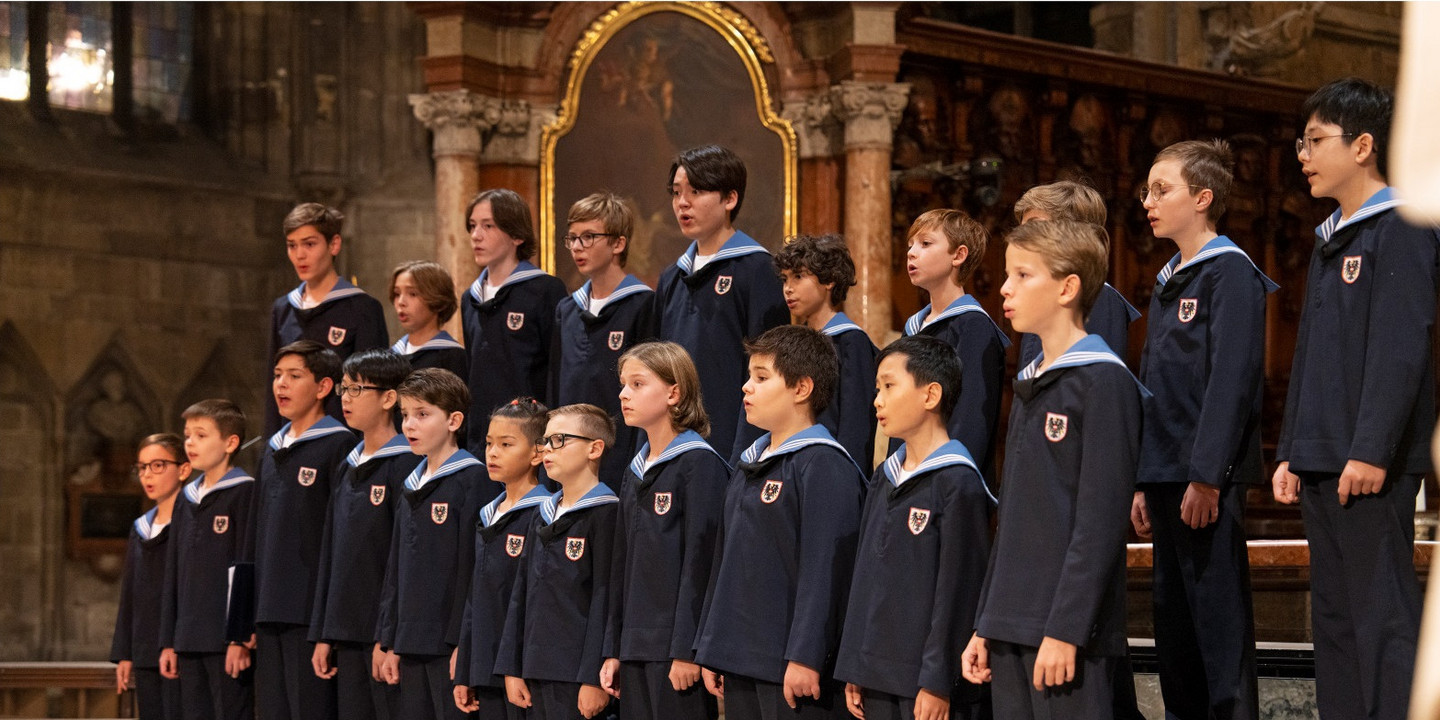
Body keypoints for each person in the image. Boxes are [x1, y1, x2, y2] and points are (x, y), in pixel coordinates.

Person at [1271, 77, 1438, 720]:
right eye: (1301, 142)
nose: (1303, 156)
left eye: (1315, 141)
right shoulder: (1329, 236)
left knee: (1382, 621)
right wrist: (1291, 450)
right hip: (1320, 455)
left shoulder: (1401, 225)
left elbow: (1400, 348)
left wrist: (1370, 448)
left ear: (1362, 144)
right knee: (1335, 623)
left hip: (1368, 462)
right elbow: (1309, 353)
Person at [961, 220, 1146, 719]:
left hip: (1066, 632)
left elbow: (1099, 525)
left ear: (1067, 288)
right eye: (1007, 274)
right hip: (1011, 622)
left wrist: (1067, 629)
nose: (1004, 288)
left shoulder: (1103, 382)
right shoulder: (1031, 382)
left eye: (1023, 275)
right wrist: (986, 621)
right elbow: (1015, 517)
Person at [1130, 139, 1276, 720]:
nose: (1148, 201)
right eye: (1147, 189)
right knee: (1174, 627)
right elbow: (1154, 388)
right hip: (1164, 475)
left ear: (1203, 197)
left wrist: (1208, 475)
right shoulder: (1170, 278)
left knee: (1217, 627)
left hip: (1202, 480)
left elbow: (1232, 379)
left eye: (1161, 189)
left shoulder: (1231, 272)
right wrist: (1143, 478)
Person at [692, 325, 865, 720]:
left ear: (801, 389)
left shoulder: (823, 463)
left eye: (761, 377)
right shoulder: (749, 462)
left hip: (791, 665)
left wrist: (805, 655)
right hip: (740, 655)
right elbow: (725, 560)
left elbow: (824, 570)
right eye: (749, 376)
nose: (745, 388)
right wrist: (710, 645)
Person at [835, 335, 993, 720]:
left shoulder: (958, 481)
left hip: (926, 685)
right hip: (876, 674)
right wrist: (856, 664)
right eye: (877, 389)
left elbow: (957, 591)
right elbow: (865, 578)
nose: (877, 400)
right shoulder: (884, 477)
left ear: (930, 395)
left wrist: (938, 680)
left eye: (889, 386)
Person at [599, 341, 730, 720]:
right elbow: (620, 565)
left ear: (674, 392)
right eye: (624, 384)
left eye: (638, 384)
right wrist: (613, 648)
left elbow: (701, 564)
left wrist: (687, 650)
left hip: (674, 649)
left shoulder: (699, 464)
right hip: (634, 646)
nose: (624, 394)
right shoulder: (634, 470)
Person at [238, 341, 355, 720]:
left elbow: (338, 540)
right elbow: (252, 536)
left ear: (323, 387)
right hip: (267, 611)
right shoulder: (272, 448)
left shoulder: (339, 444)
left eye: (294, 376)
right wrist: (242, 617)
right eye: (276, 376)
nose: (280, 385)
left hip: (308, 613)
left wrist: (328, 624)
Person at [653, 145, 789, 463]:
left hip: (728, 447)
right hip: (671, 444)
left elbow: (765, 369)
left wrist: (746, 455)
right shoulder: (672, 277)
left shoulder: (757, 269)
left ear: (730, 199)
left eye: (696, 191)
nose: (682, 203)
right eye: (676, 193)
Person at [309, 349, 418, 720]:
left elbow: (402, 558)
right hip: (346, 630)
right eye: (344, 388)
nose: (346, 398)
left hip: (383, 635)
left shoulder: (406, 464)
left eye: (357, 389)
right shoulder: (346, 465)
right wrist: (324, 632)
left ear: (389, 398)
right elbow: (330, 552)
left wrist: (389, 637)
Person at [377, 368, 491, 720]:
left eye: (422, 415)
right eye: (405, 415)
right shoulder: (411, 481)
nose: (409, 425)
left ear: (454, 420)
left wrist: (462, 642)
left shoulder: (473, 478)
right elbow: (396, 566)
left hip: (447, 644)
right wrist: (388, 639)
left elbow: (470, 570)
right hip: (410, 641)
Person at [496, 404, 620, 720]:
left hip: (576, 672)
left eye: (560, 440)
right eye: (546, 440)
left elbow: (605, 599)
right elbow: (520, 592)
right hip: (534, 667)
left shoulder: (606, 513)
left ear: (594, 448)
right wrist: (512, 666)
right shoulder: (542, 512)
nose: (548, 449)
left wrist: (592, 677)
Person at [453, 398, 552, 719]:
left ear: (538, 453)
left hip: (524, 669)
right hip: (485, 664)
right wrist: (465, 668)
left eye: (506, 444)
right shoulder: (487, 513)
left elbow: (533, 601)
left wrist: (518, 666)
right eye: (489, 443)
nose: (492, 452)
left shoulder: (546, 512)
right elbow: (475, 597)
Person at [158, 399, 255, 720]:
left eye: (201, 435)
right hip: (187, 637)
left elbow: (246, 565)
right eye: (187, 435)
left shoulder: (244, 493)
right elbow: (173, 571)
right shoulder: (186, 498)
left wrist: (239, 637)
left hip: (224, 639)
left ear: (230, 443)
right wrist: (168, 640)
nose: (190, 443)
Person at [896, 209, 1008, 484]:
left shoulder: (973, 327)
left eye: (925, 243)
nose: (911, 252)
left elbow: (970, 418)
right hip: (906, 471)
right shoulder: (914, 327)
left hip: (946, 478)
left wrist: (950, 478)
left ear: (958, 255)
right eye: (910, 245)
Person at [553, 192, 656, 483]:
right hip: (569, 454)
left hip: (620, 450)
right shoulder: (567, 309)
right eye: (572, 238)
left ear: (618, 243)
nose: (576, 247)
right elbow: (555, 383)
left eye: (588, 237)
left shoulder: (642, 304)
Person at [461, 189, 568, 454]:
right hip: (481, 438)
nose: (476, 235)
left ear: (517, 235)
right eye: (473, 226)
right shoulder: (470, 298)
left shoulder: (544, 290)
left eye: (488, 226)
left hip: (529, 438)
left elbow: (557, 370)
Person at [267, 203, 388, 435]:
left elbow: (373, 390)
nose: (299, 255)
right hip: (291, 441)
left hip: (342, 440)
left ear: (334, 244)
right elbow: (272, 391)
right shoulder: (283, 308)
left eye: (309, 244)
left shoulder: (362, 308)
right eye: (292, 246)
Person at [773, 234, 878, 470]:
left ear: (829, 280)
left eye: (798, 277)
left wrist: (848, 478)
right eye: (785, 279)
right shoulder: (791, 344)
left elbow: (856, 425)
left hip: (831, 469)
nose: (788, 289)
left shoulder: (851, 341)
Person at [1011, 180, 1140, 366]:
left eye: (1034, 226)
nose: (1021, 238)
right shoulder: (1043, 293)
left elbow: (1098, 379)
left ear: (1074, 233)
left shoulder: (1099, 297)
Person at [112, 433, 190, 720]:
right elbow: (131, 593)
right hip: (146, 647)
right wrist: (125, 652)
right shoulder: (141, 527)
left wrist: (176, 641)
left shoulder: (192, 522)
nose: (148, 475)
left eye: (157, 465)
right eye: (142, 467)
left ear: (183, 469)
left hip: (180, 649)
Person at [390, 260, 469, 379]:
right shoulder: (391, 356)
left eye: (412, 294)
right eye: (397, 294)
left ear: (437, 301)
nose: (401, 302)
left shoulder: (453, 358)